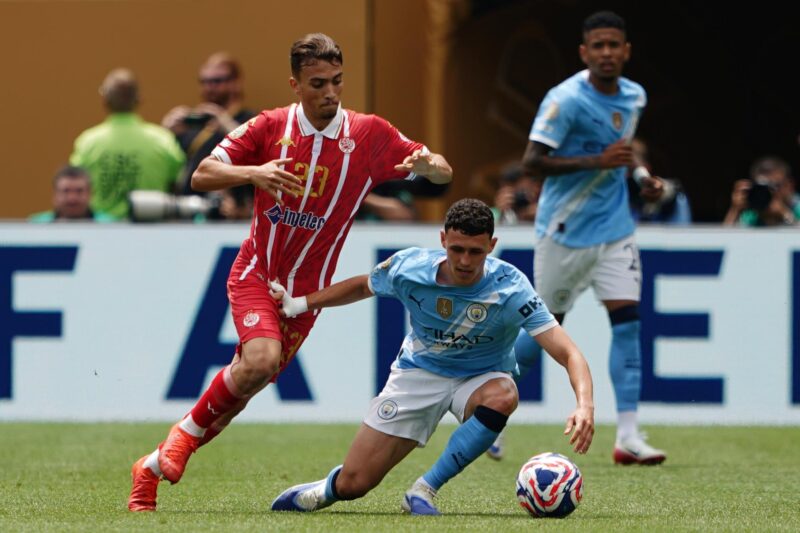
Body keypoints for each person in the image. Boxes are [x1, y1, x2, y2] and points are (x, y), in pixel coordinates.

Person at [127, 33, 453, 512]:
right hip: (258, 271)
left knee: (244, 385)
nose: (330, 93)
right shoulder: (268, 126)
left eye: (337, 82)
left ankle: (151, 467)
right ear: (296, 84)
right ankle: (179, 440)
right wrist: (253, 173)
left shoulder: (369, 135)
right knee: (258, 362)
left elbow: (441, 174)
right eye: (318, 83)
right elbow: (202, 175)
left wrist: (431, 165)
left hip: (307, 296)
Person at [269, 199, 594, 515]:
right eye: (457, 249)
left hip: (480, 376)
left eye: (475, 252)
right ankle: (325, 490)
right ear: (442, 240)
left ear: (492, 245)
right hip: (418, 373)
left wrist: (584, 405)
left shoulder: (511, 287)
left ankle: (423, 490)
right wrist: (299, 304)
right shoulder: (409, 268)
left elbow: (569, 352)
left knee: (504, 395)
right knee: (355, 484)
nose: (465, 261)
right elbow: (362, 287)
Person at [492, 11, 667, 465]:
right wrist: (599, 163)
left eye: (615, 45)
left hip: (615, 231)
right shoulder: (564, 99)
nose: (607, 53)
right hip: (565, 232)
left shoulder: (634, 96)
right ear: (584, 53)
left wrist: (641, 176)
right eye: (599, 46)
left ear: (626, 51)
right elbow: (533, 161)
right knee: (544, 331)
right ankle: (489, 413)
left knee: (628, 324)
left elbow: (621, 152)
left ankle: (628, 434)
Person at [69, 69, 185, 219]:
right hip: (152, 230)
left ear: (105, 100)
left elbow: (75, 185)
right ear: (139, 99)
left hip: (101, 233)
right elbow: (178, 187)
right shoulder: (163, 140)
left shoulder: (87, 143)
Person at [161, 52, 257, 196]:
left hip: (232, 211)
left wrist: (225, 123)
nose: (209, 87)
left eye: (217, 81)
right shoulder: (195, 125)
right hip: (189, 207)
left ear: (236, 83)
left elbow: (257, 154)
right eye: (204, 81)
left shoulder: (249, 120)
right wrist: (166, 133)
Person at [627, 138, 691, 224]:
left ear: (647, 166)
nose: (629, 161)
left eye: (636, 155)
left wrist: (660, 190)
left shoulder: (668, 195)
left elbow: (672, 190)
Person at [723, 156, 799, 226]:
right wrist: (735, 210)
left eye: (775, 186)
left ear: (789, 185)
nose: (770, 192)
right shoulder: (751, 214)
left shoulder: (797, 207)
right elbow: (724, 238)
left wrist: (786, 214)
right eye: (764, 187)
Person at [29, 166, 114, 222]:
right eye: (66, 191)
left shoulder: (110, 226)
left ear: (90, 194)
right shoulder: (35, 226)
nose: (72, 198)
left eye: (79, 191)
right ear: (55, 195)